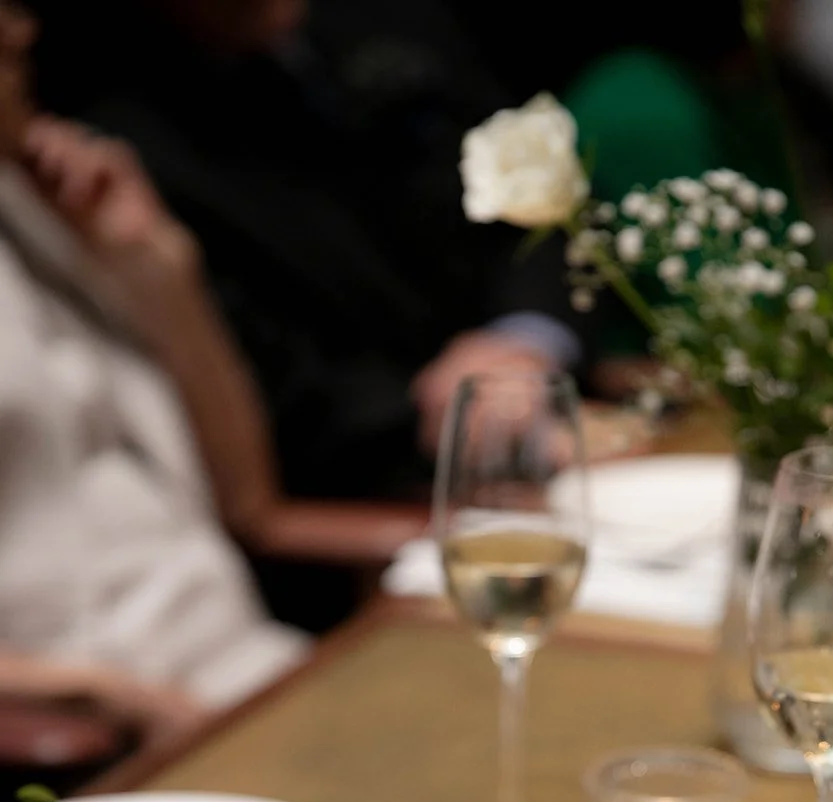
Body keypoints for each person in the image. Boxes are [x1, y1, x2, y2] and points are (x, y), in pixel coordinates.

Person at [29, 0, 583, 508]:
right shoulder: (130, 142)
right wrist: (468, 412)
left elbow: (536, 203)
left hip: (558, 405)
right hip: (382, 492)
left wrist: (523, 337)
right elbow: (282, 395)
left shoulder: (396, 20)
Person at [0, 2, 322, 761]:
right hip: (108, 727)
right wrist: (101, 697)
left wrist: (160, 267)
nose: (20, 28)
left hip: (252, 662)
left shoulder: (44, 201)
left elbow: (249, 502)